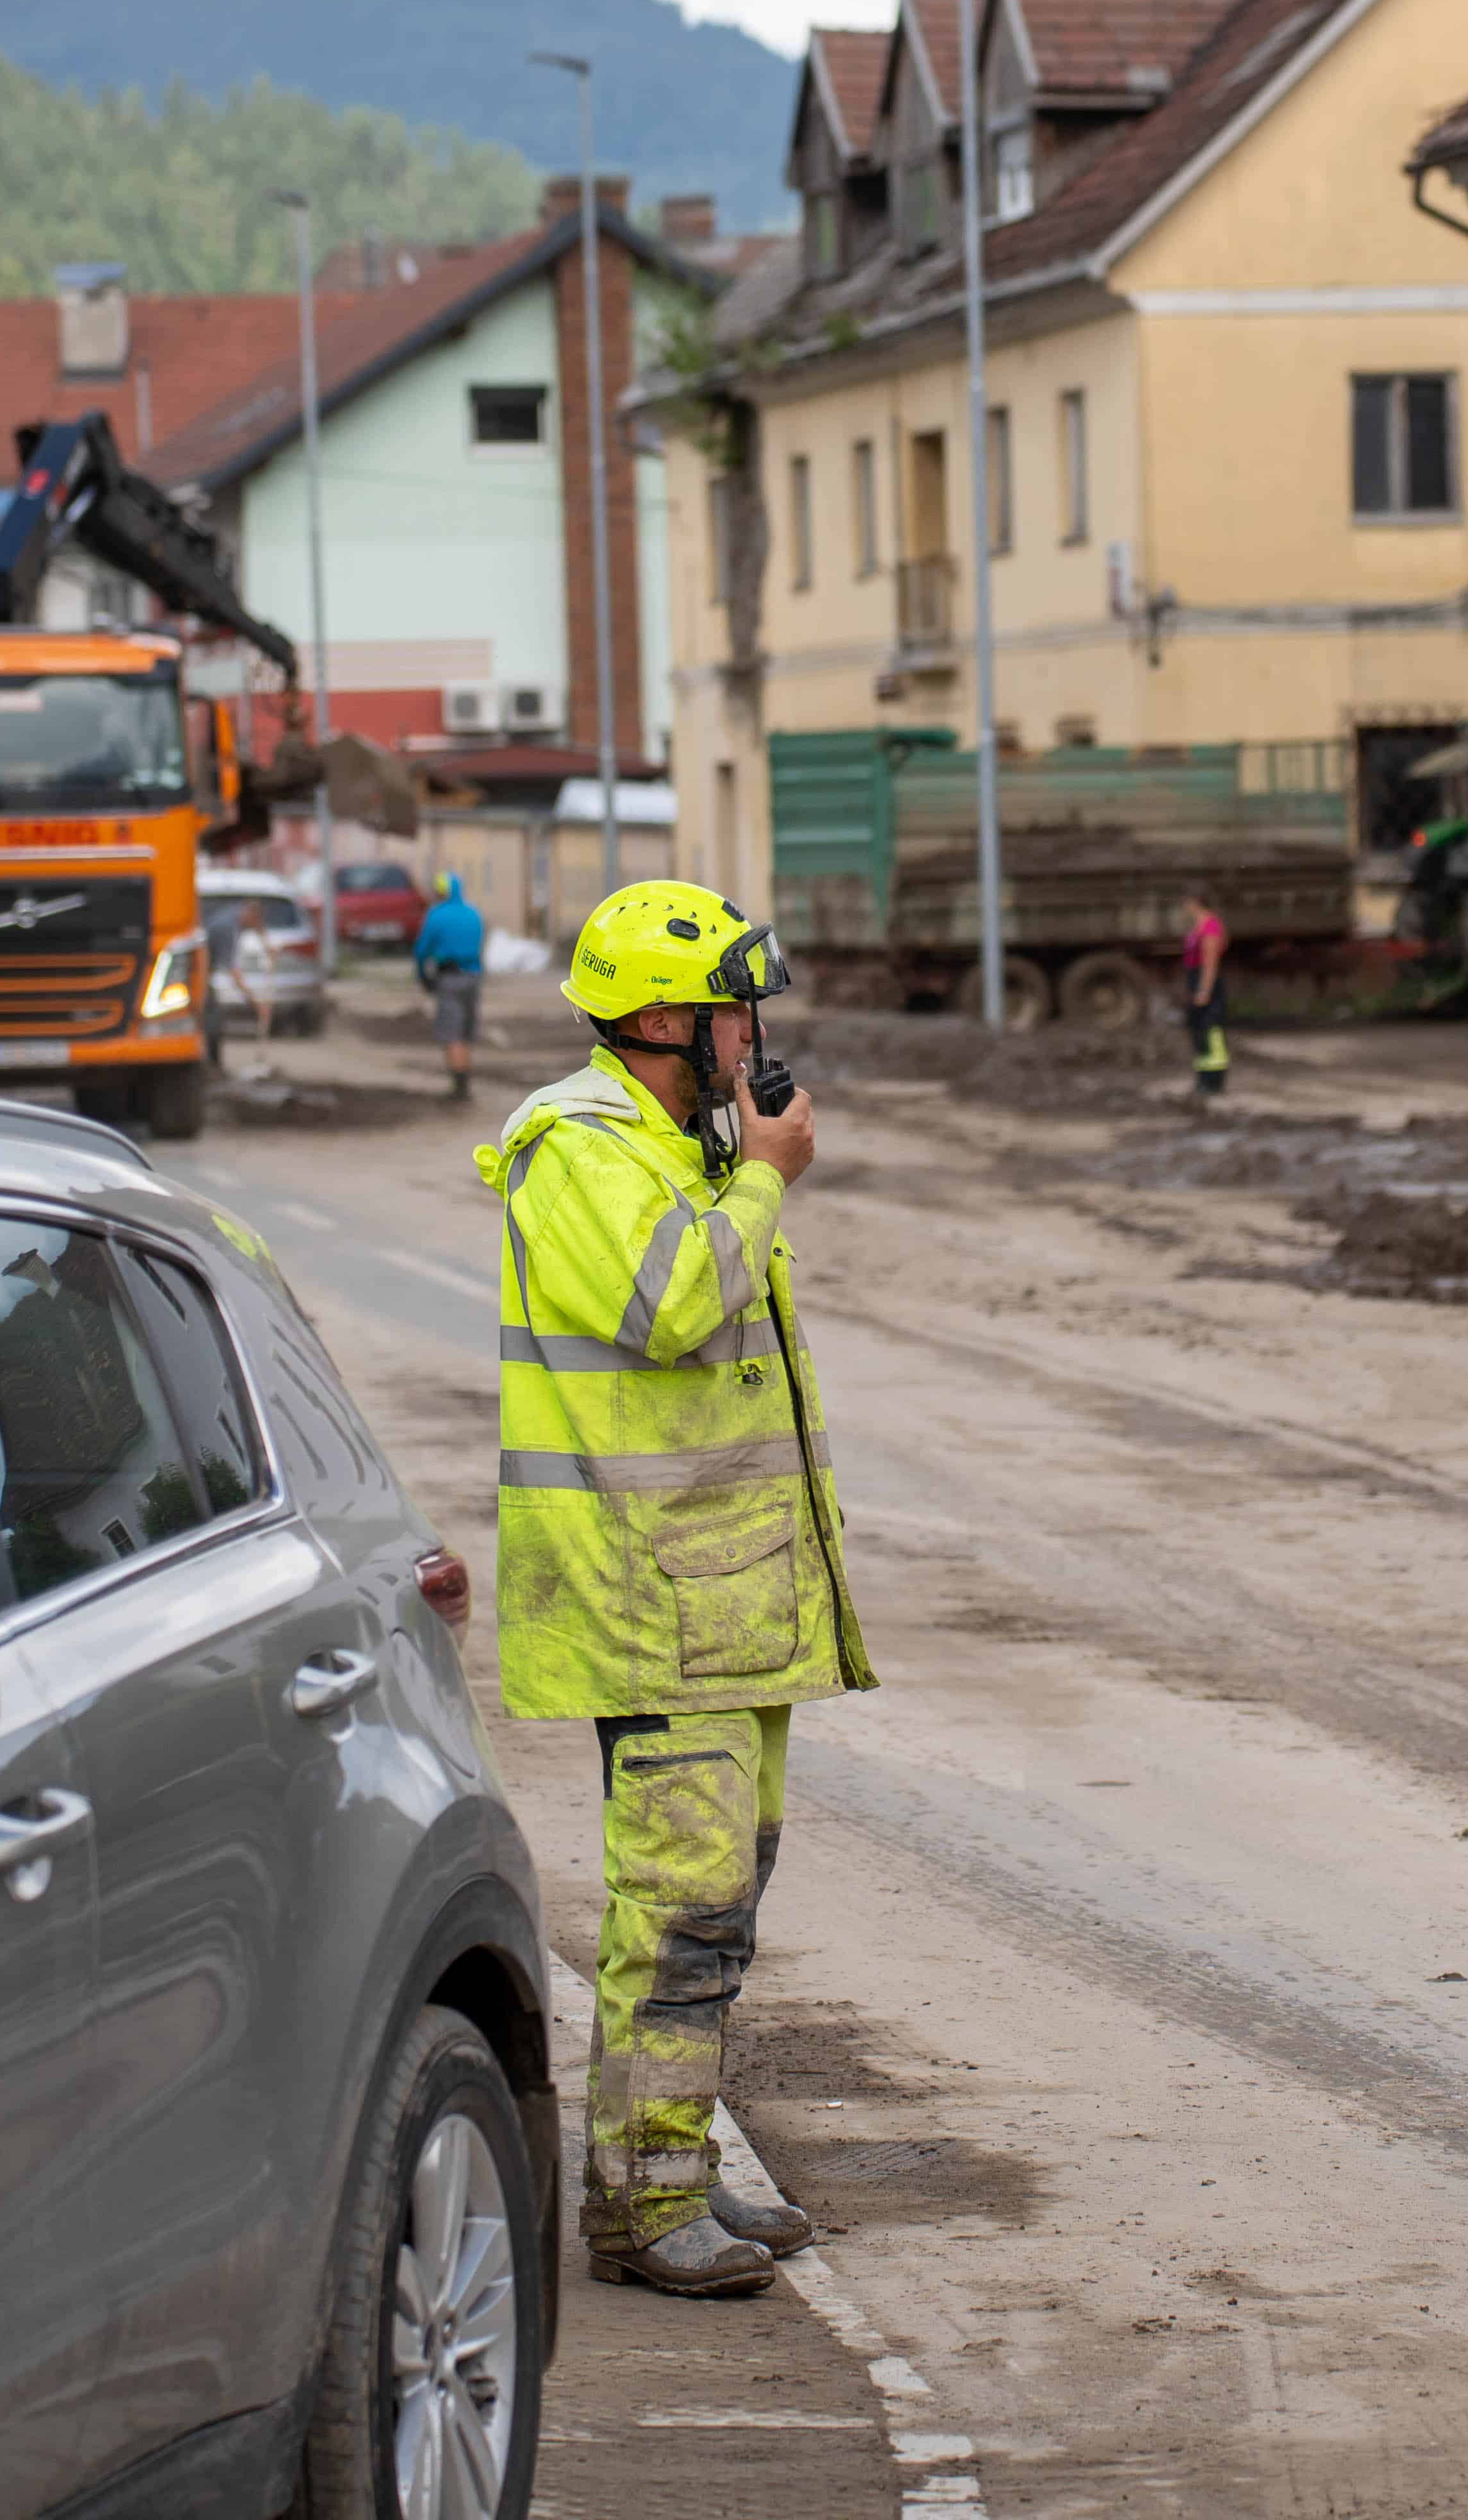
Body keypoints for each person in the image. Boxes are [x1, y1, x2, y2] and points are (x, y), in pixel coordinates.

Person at [472, 880, 870, 2300]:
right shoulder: (578, 1147)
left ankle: (675, 2171)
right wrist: (765, 1176)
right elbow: (675, 1309)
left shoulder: (671, 1142)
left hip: (724, 1598)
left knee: (724, 1895)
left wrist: (736, 1167)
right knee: (680, 1903)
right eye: (733, 1006)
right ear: (661, 1017)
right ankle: (643, 2205)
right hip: (650, 1600)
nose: (753, 1031)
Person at [413, 871, 489, 1101]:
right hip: (473, 977)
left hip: (450, 978)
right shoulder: (473, 914)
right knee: (466, 1032)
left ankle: (459, 1088)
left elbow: (421, 950)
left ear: (441, 892)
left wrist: (423, 977)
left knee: (452, 1032)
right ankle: (465, 1080)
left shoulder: (437, 915)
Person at [1179, 882, 1230, 1101]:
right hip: (1195, 982)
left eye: (1187, 901)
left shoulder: (1210, 927)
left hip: (1206, 984)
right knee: (1199, 1033)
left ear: (1196, 902)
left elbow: (1210, 964)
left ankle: (1214, 1081)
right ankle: (1202, 1079)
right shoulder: (1198, 926)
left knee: (1212, 1033)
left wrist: (1204, 991)